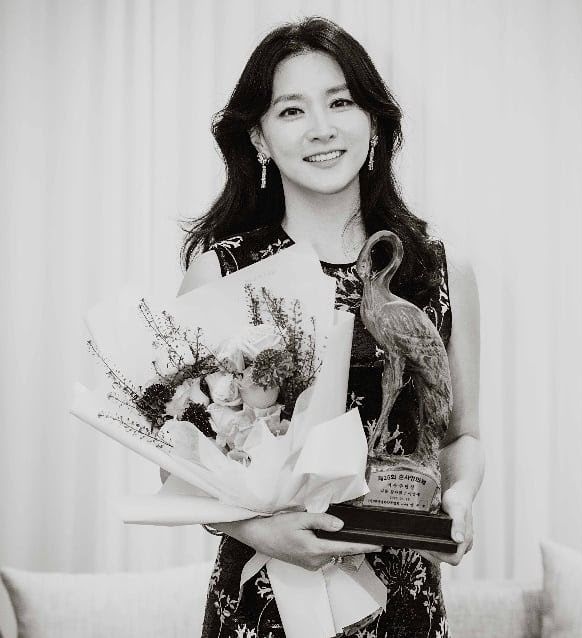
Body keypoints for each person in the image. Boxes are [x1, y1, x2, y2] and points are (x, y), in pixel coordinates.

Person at [180, 16, 483, 638]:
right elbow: (178, 462)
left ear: (373, 122)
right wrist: (257, 528)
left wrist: (457, 500)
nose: (321, 127)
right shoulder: (222, 273)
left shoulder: (437, 271)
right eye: (292, 110)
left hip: (403, 601)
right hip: (265, 603)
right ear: (260, 137)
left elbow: (461, 436)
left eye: (340, 102)